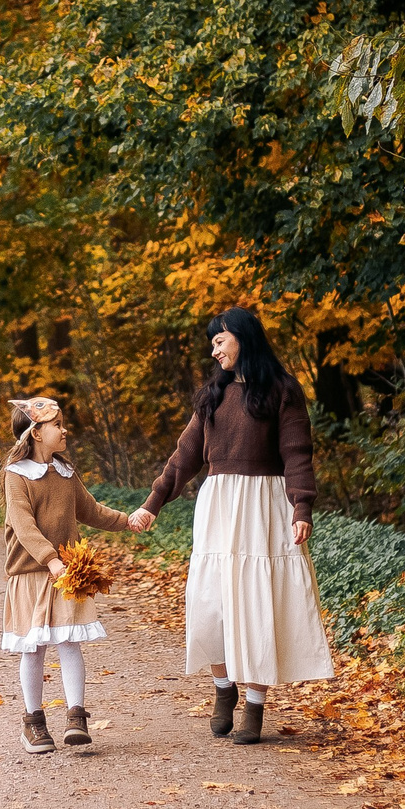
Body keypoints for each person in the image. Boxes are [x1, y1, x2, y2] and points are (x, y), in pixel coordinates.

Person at [131, 307, 334, 744]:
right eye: (213, 342)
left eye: (219, 340)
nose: (214, 349)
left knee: (260, 602)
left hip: (265, 507)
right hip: (219, 507)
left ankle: (255, 707)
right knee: (212, 601)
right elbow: (184, 455)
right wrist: (154, 502)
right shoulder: (212, 396)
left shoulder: (282, 391)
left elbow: (298, 454)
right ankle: (224, 690)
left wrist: (301, 507)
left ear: (242, 337)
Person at [0, 396, 136, 754]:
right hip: (31, 573)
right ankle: (33, 723)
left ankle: (76, 717)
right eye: (57, 425)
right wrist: (49, 558)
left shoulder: (65, 473)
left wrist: (127, 520)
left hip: (66, 575)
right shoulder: (17, 477)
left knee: (70, 642)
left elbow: (90, 510)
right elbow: (23, 524)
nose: (64, 430)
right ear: (35, 433)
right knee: (34, 647)